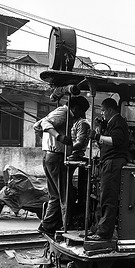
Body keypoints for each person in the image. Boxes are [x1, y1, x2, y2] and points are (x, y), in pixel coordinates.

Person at [33, 96, 90, 236]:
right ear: (75, 108)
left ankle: (47, 226)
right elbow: (42, 124)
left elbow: (38, 126)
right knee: (66, 196)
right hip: (56, 157)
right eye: (80, 111)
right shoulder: (63, 112)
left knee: (56, 196)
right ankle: (64, 226)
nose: (80, 115)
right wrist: (58, 137)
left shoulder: (69, 117)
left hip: (52, 156)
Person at [88, 98, 130, 241]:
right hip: (108, 162)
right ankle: (99, 229)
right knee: (103, 197)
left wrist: (98, 136)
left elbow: (115, 140)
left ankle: (104, 233)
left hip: (113, 163)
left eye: (103, 110)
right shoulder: (112, 123)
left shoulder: (117, 122)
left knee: (108, 199)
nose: (102, 113)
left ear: (110, 110)